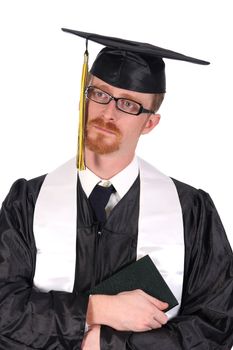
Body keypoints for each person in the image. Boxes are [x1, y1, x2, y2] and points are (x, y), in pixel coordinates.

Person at [0, 29, 232, 350]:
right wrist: (95, 309)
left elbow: (217, 324)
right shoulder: (26, 201)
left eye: (128, 104)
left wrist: (107, 343)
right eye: (100, 94)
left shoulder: (191, 210)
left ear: (150, 123)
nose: (108, 113)